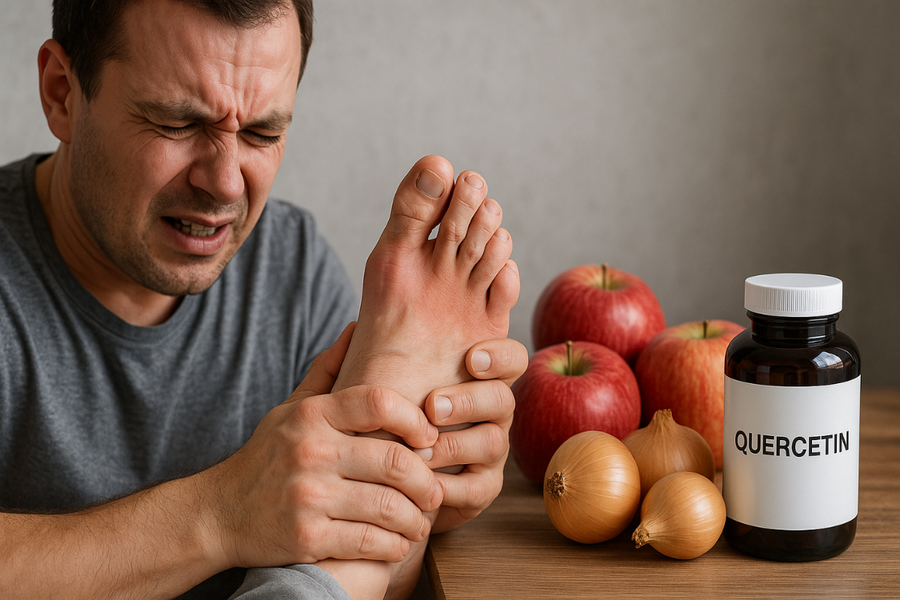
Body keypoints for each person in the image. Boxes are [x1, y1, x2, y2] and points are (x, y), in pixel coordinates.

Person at [0, 0, 526, 598]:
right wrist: (221, 514)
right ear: (62, 92)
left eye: (262, 133)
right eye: (177, 124)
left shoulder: (294, 271)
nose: (225, 183)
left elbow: (367, 566)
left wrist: (416, 493)